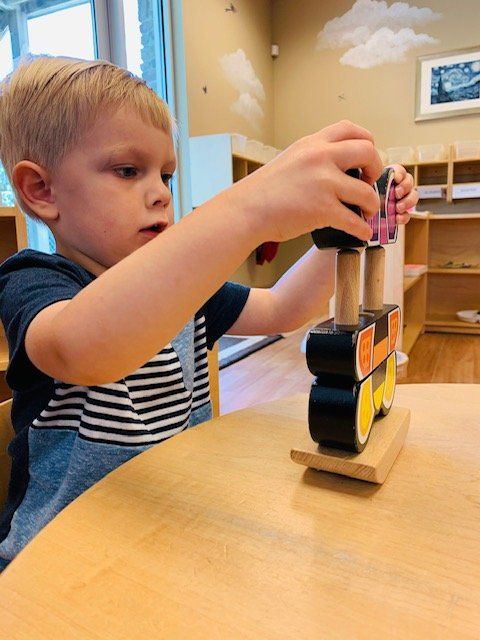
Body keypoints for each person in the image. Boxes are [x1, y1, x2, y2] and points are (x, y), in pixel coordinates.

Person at [0, 55, 418, 569]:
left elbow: (284, 308)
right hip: (55, 563)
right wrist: (248, 208)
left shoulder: (184, 288)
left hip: (162, 533)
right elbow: (83, 349)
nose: (159, 194)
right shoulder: (35, 281)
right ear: (41, 191)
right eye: (128, 171)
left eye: (167, 176)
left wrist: (349, 228)